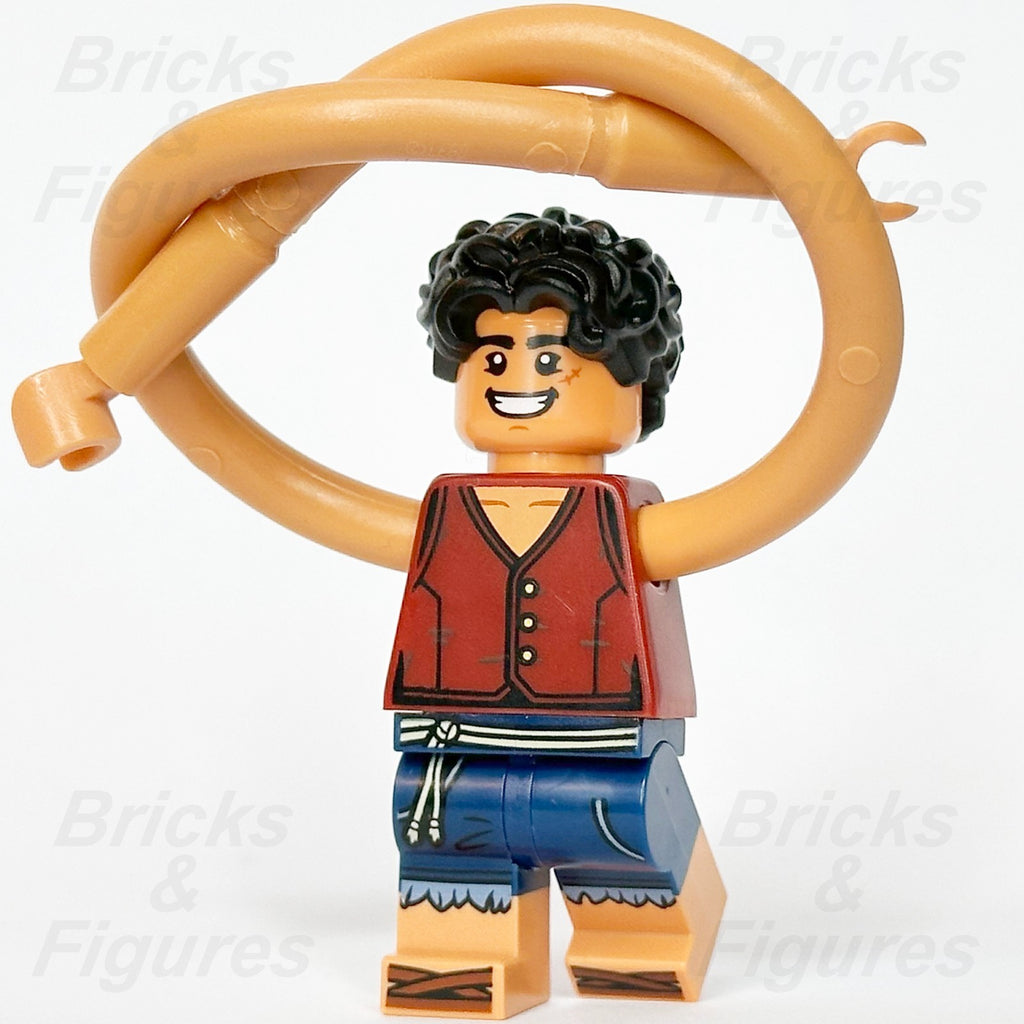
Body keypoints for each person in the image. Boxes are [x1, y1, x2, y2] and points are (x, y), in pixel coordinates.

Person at [380, 209, 724, 1017]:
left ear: (637, 381)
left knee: (620, 828)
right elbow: (302, 500)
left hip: (602, 742)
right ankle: (456, 959)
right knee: (443, 836)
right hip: (451, 739)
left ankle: (642, 944)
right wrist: (160, 387)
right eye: (494, 355)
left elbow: (798, 479)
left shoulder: (634, 525)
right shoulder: (442, 516)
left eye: (553, 356)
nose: (518, 377)